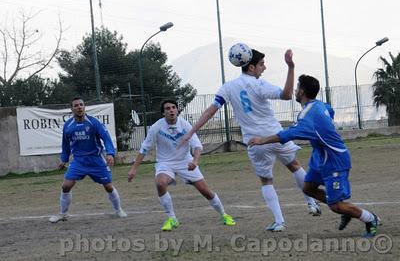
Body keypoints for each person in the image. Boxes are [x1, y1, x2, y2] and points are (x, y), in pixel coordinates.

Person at [180, 47, 320, 232]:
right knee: (294, 166)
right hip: (276, 136)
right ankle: (311, 202)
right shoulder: (258, 85)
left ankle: (279, 221)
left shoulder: (228, 87)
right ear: (251, 67)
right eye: (261, 64)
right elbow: (287, 95)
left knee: (266, 181)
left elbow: (211, 110)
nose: (264, 68)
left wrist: (191, 132)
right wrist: (291, 67)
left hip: (255, 141)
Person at [248, 75, 379, 237]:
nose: (295, 90)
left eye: (297, 88)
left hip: (335, 160)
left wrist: (262, 140)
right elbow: (330, 110)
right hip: (320, 158)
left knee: (335, 206)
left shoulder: (307, 116)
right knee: (308, 188)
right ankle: (345, 209)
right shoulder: (319, 105)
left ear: (302, 91)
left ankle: (370, 218)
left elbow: (288, 134)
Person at [128, 99, 236, 231]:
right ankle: (172, 218)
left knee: (205, 191)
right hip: (165, 163)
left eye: (173, 107)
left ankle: (224, 215)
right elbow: (144, 148)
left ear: (177, 110)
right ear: (163, 113)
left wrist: (195, 162)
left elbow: (197, 146)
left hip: (185, 161)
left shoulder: (185, 124)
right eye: (167, 108)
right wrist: (134, 168)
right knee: (160, 183)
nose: (171, 110)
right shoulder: (156, 127)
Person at [49, 97, 127, 223]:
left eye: (81, 104)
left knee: (108, 186)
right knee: (66, 186)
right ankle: (63, 214)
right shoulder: (68, 126)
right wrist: (63, 159)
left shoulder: (94, 122)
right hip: (78, 161)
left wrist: (110, 154)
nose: (79, 107)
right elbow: (65, 145)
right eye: (76, 105)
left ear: (84, 107)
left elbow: (106, 138)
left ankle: (118, 210)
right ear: (72, 109)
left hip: (96, 160)